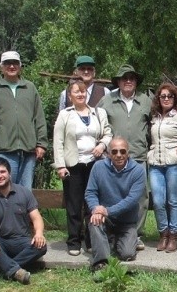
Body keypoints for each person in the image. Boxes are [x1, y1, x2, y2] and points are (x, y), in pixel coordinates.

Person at [53, 77, 112, 257]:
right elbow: (58, 141)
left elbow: (108, 133)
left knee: (91, 204)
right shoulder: (65, 114)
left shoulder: (98, 113)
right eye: (76, 91)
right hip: (73, 165)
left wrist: (102, 145)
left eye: (83, 91)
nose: (80, 94)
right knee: (74, 204)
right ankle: (73, 241)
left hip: (94, 165)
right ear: (70, 96)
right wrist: (60, 166)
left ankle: (91, 240)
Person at [98, 64, 151, 250]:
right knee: (112, 193)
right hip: (114, 157)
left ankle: (136, 234)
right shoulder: (107, 100)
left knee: (141, 197)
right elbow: (96, 122)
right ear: (118, 82)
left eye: (132, 78)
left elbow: (156, 123)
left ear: (136, 81)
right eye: (124, 78)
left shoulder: (146, 101)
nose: (128, 81)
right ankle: (111, 231)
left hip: (138, 155)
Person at [0, 51, 48, 189]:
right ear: (1, 67)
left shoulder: (30, 88)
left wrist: (41, 143)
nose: (11, 66)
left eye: (15, 63)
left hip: (28, 149)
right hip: (3, 149)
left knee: (25, 191)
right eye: (7, 63)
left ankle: (24, 212)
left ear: (20, 66)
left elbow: (39, 117)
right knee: (5, 189)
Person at [0, 158, 47, 284]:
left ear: (9, 174)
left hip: (21, 241)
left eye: (3, 172)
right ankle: (16, 271)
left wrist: (39, 233)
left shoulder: (24, 192)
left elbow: (36, 217)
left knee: (41, 246)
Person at [85, 136, 146, 271]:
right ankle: (101, 263)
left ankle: (113, 241)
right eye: (114, 152)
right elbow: (90, 192)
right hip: (104, 218)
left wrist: (107, 210)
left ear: (128, 153)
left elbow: (132, 199)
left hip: (126, 221)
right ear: (108, 153)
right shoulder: (98, 167)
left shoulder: (138, 170)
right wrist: (96, 209)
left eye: (123, 151)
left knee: (128, 254)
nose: (119, 155)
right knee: (94, 221)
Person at [148, 83, 177, 252]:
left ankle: (174, 235)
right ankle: (163, 233)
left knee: (173, 201)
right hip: (155, 163)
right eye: (162, 96)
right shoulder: (155, 117)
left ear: (174, 98)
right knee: (157, 201)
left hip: (174, 163)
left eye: (169, 96)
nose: (165, 99)